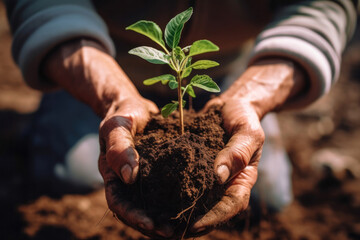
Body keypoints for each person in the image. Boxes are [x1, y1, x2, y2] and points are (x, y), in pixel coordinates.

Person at [4, 0, 359, 238]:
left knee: (268, 196)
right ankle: (50, 114)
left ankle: (248, 106)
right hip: (98, 58)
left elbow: (323, 8)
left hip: (236, 72)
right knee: (73, 174)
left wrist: (248, 99)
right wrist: (115, 98)